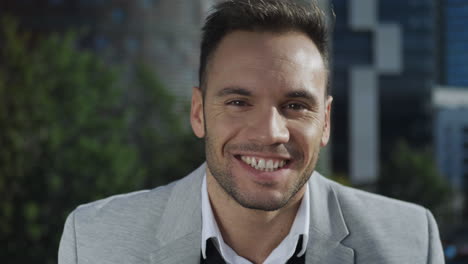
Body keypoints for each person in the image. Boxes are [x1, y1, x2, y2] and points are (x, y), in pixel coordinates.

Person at [58, 0, 444, 263]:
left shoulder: (408, 243)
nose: (271, 132)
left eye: (295, 106)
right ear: (198, 113)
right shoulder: (95, 241)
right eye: (239, 102)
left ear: (325, 121)